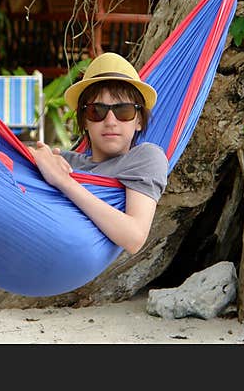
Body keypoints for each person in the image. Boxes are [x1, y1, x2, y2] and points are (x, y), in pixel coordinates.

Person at [27, 53, 168, 254]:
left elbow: (134, 237)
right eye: (97, 111)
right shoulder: (64, 161)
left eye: (124, 111)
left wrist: (64, 182)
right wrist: (37, 155)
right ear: (84, 120)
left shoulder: (146, 158)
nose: (110, 121)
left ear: (138, 120)